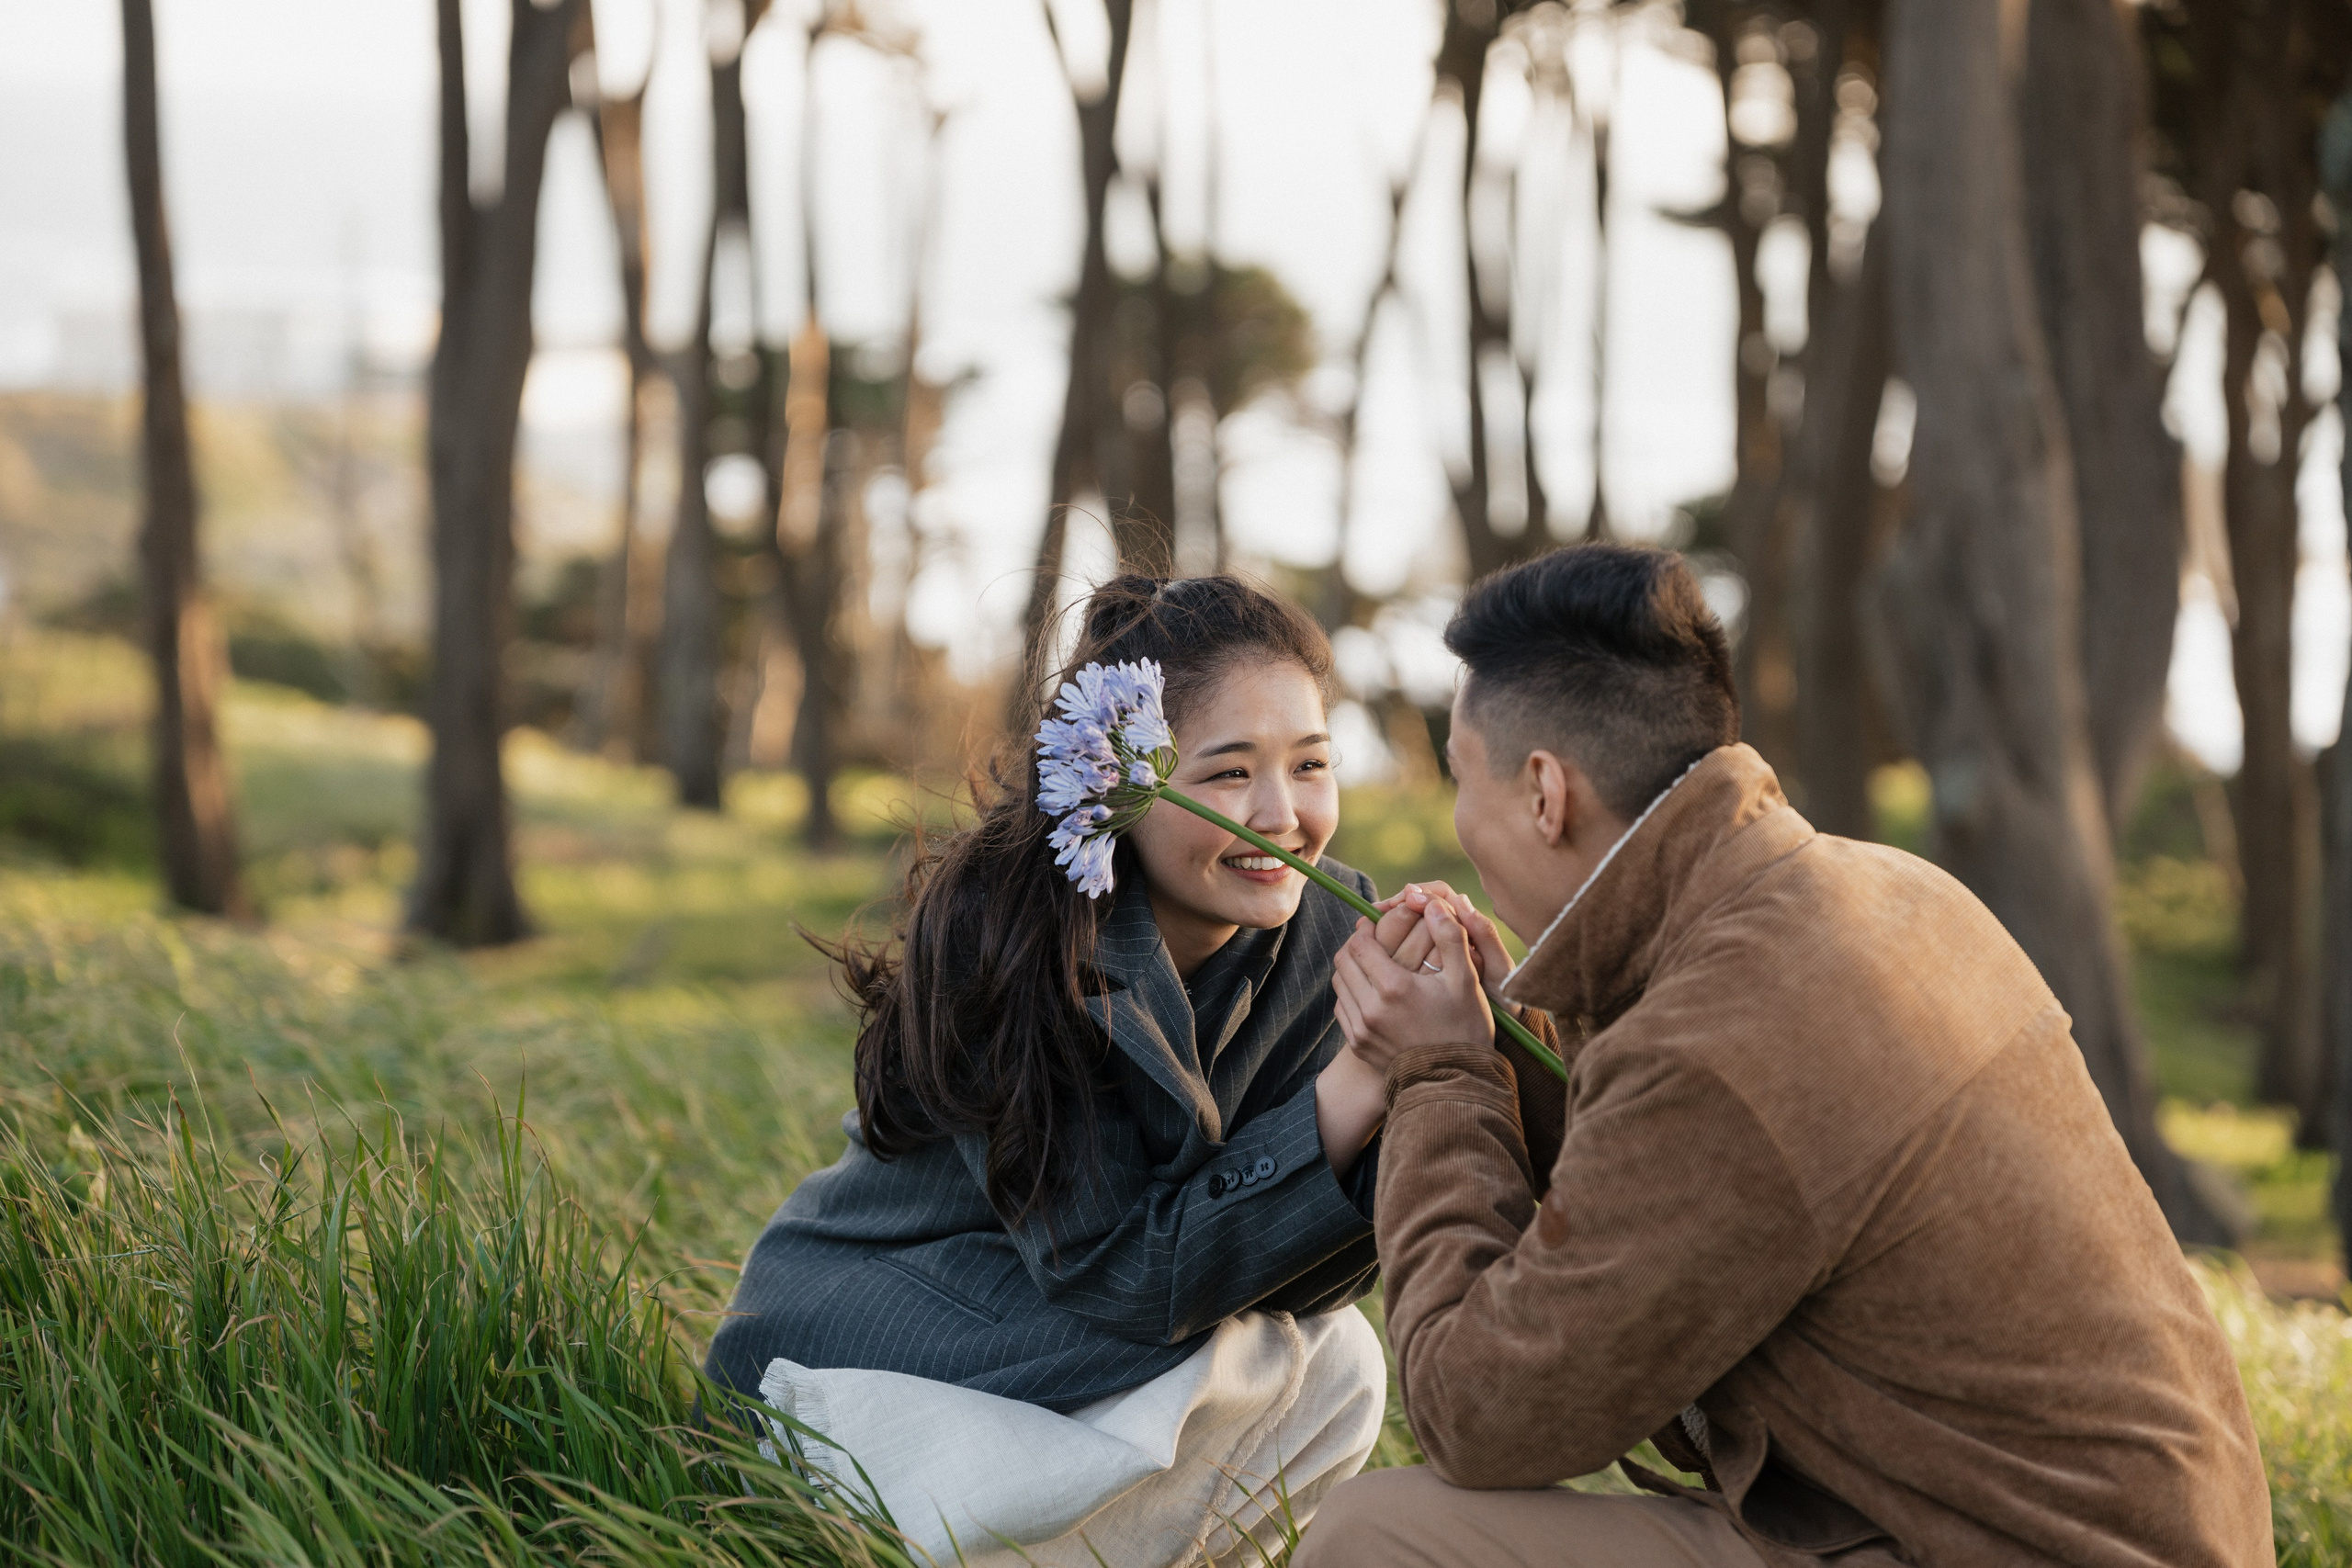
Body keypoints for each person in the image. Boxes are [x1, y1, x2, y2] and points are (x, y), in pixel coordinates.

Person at [1297, 544, 2271, 1568]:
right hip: (2093, 1532)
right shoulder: (1883, 890)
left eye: (1461, 780)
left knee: (1379, 1538)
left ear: (1545, 794)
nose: (1458, 827)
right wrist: (1510, 1040)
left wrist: (1440, 1075)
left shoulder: (1717, 1043)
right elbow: (1676, 1207)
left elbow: (1476, 1414)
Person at [707, 575, 1394, 1568]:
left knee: (1330, 1361)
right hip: (902, 1332)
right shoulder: (1017, 933)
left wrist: (1455, 1060)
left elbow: (1317, 1261)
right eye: (1228, 775)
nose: (1281, 814)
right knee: (1263, 1356)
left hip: (1109, 1349)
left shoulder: (1335, 937)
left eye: (1312, 763)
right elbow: (1118, 1274)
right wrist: (1363, 1079)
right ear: (1114, 783)